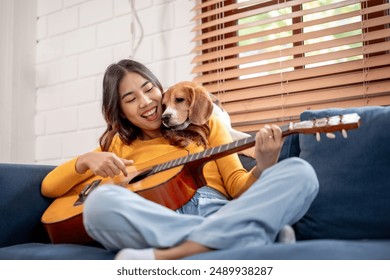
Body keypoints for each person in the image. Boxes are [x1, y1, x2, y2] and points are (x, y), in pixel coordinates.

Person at [41, 59, 319, 260]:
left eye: (149, 89)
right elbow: (49, 187)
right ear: (121, 111)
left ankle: (178, 252)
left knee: (301, 173)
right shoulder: (118, 144)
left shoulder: (206, 125)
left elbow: (236, 186)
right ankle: (248, 235)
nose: (146, 102)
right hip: (156, 217)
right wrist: (86, 160)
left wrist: (264, 165)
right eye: (130, 98)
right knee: (99, 205)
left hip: (216, 209)